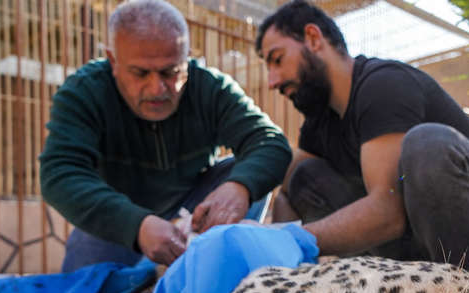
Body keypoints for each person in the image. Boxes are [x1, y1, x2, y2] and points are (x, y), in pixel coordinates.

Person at [255, 0, 469, 283]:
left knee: (427, 145)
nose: (271, 81)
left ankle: (456, 290)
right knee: (305, 176)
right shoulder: (321, 121)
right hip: (417, 245)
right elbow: (288, 190)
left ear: (313, 39)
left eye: (277, 60)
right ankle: (390, 289)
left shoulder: (383, 84)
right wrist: (281, 265)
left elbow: (387, 213)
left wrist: (294, 238)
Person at [40, 0, 291, 272]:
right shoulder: (83, 92)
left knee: (241, 170)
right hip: (117, 223)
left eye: (171, 72)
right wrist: (137, 224)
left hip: (194, 216)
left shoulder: (210, 87)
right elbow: (60, 174)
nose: (157, 89)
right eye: (140, 73)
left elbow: (270, 142)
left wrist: (239, 188)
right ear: (113, 61)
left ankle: (217, 269)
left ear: (186, 58)